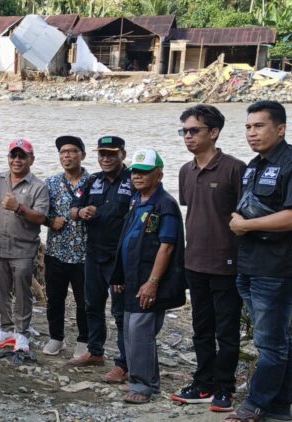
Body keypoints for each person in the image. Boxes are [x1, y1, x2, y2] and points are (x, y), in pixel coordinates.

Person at [226, 101, 292, 422]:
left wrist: (247, 225)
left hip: (279, 267)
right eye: (248, 127)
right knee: (276, 339)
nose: (252, 133)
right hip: (251, 264)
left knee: (269, 343)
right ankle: (280, 407)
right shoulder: (254, 165)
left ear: (281, 129)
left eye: (259, 126)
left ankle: (256, 404)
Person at [172, 104, 247, 411]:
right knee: (201, 328)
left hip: (226, 263)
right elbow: (192, 209)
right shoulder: (185, 171)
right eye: (184, 131)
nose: (188, 136)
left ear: (214, 132)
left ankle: (224, 388)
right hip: (194, 262)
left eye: (194, 130)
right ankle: (202, 383)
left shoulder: (235, 168)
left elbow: (246, 216)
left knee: (226, 330)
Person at [113, 149, 186, 404]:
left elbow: (167, 246)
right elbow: (126, 239)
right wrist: (119, 275)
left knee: (140, 333)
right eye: (135, 171)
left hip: (148, 280)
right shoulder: (136, 200)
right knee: (131, 332)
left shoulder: (165, 204)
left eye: (144, 172)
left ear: (159, 175)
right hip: (131, 279)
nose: (137, 176)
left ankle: (142, 386)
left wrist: (152, 283)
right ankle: (149, 382)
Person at [70, 136, 133, 385]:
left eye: (111, 154)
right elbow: (73, 210)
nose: (105, 159)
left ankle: (124, 364)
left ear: (122, 155)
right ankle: (95, 351)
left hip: (120, 258)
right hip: (94, 253)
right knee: (92, 305)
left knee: (121, 312)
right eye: (102, 154)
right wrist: (81, 212)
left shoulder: (133, 180)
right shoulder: (92, 180)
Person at [0, 139, 48, 354]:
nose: (17, 160)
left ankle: (22, 332)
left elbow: (41, 217)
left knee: (22, 291)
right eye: (14, 155)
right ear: (8, 158)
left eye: (23, 156)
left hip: (23, 249)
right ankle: (6, 329)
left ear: (32, 159)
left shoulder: (39, 186)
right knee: (1, 290)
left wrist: (18, 208)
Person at [42, 135, 90, 357]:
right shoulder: (51, 183)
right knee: (54, 298)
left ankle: (84, 340)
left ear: (83, 155)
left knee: (84, 301)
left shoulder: (94, 183)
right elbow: (40, 212)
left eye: (72, 151)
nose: (67, 156)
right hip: (56, 251)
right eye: (63, 152)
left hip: (84, 253)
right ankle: (56, 337)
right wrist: (50, 221)